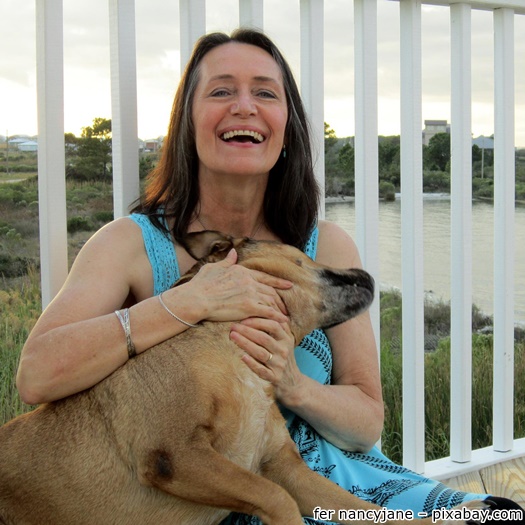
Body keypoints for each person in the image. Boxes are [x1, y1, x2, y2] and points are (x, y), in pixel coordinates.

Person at [17, 28, 522, 524]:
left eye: (264, 92)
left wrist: (293, 384)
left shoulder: (323, 246)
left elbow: (366, 426)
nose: (244, 105)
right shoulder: (130, 244)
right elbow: (36, 375)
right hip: (211, 500)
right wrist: (186, 304)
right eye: (221, 91)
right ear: (188, 124)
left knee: (501, 519)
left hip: (331, 487)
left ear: (286, 126)